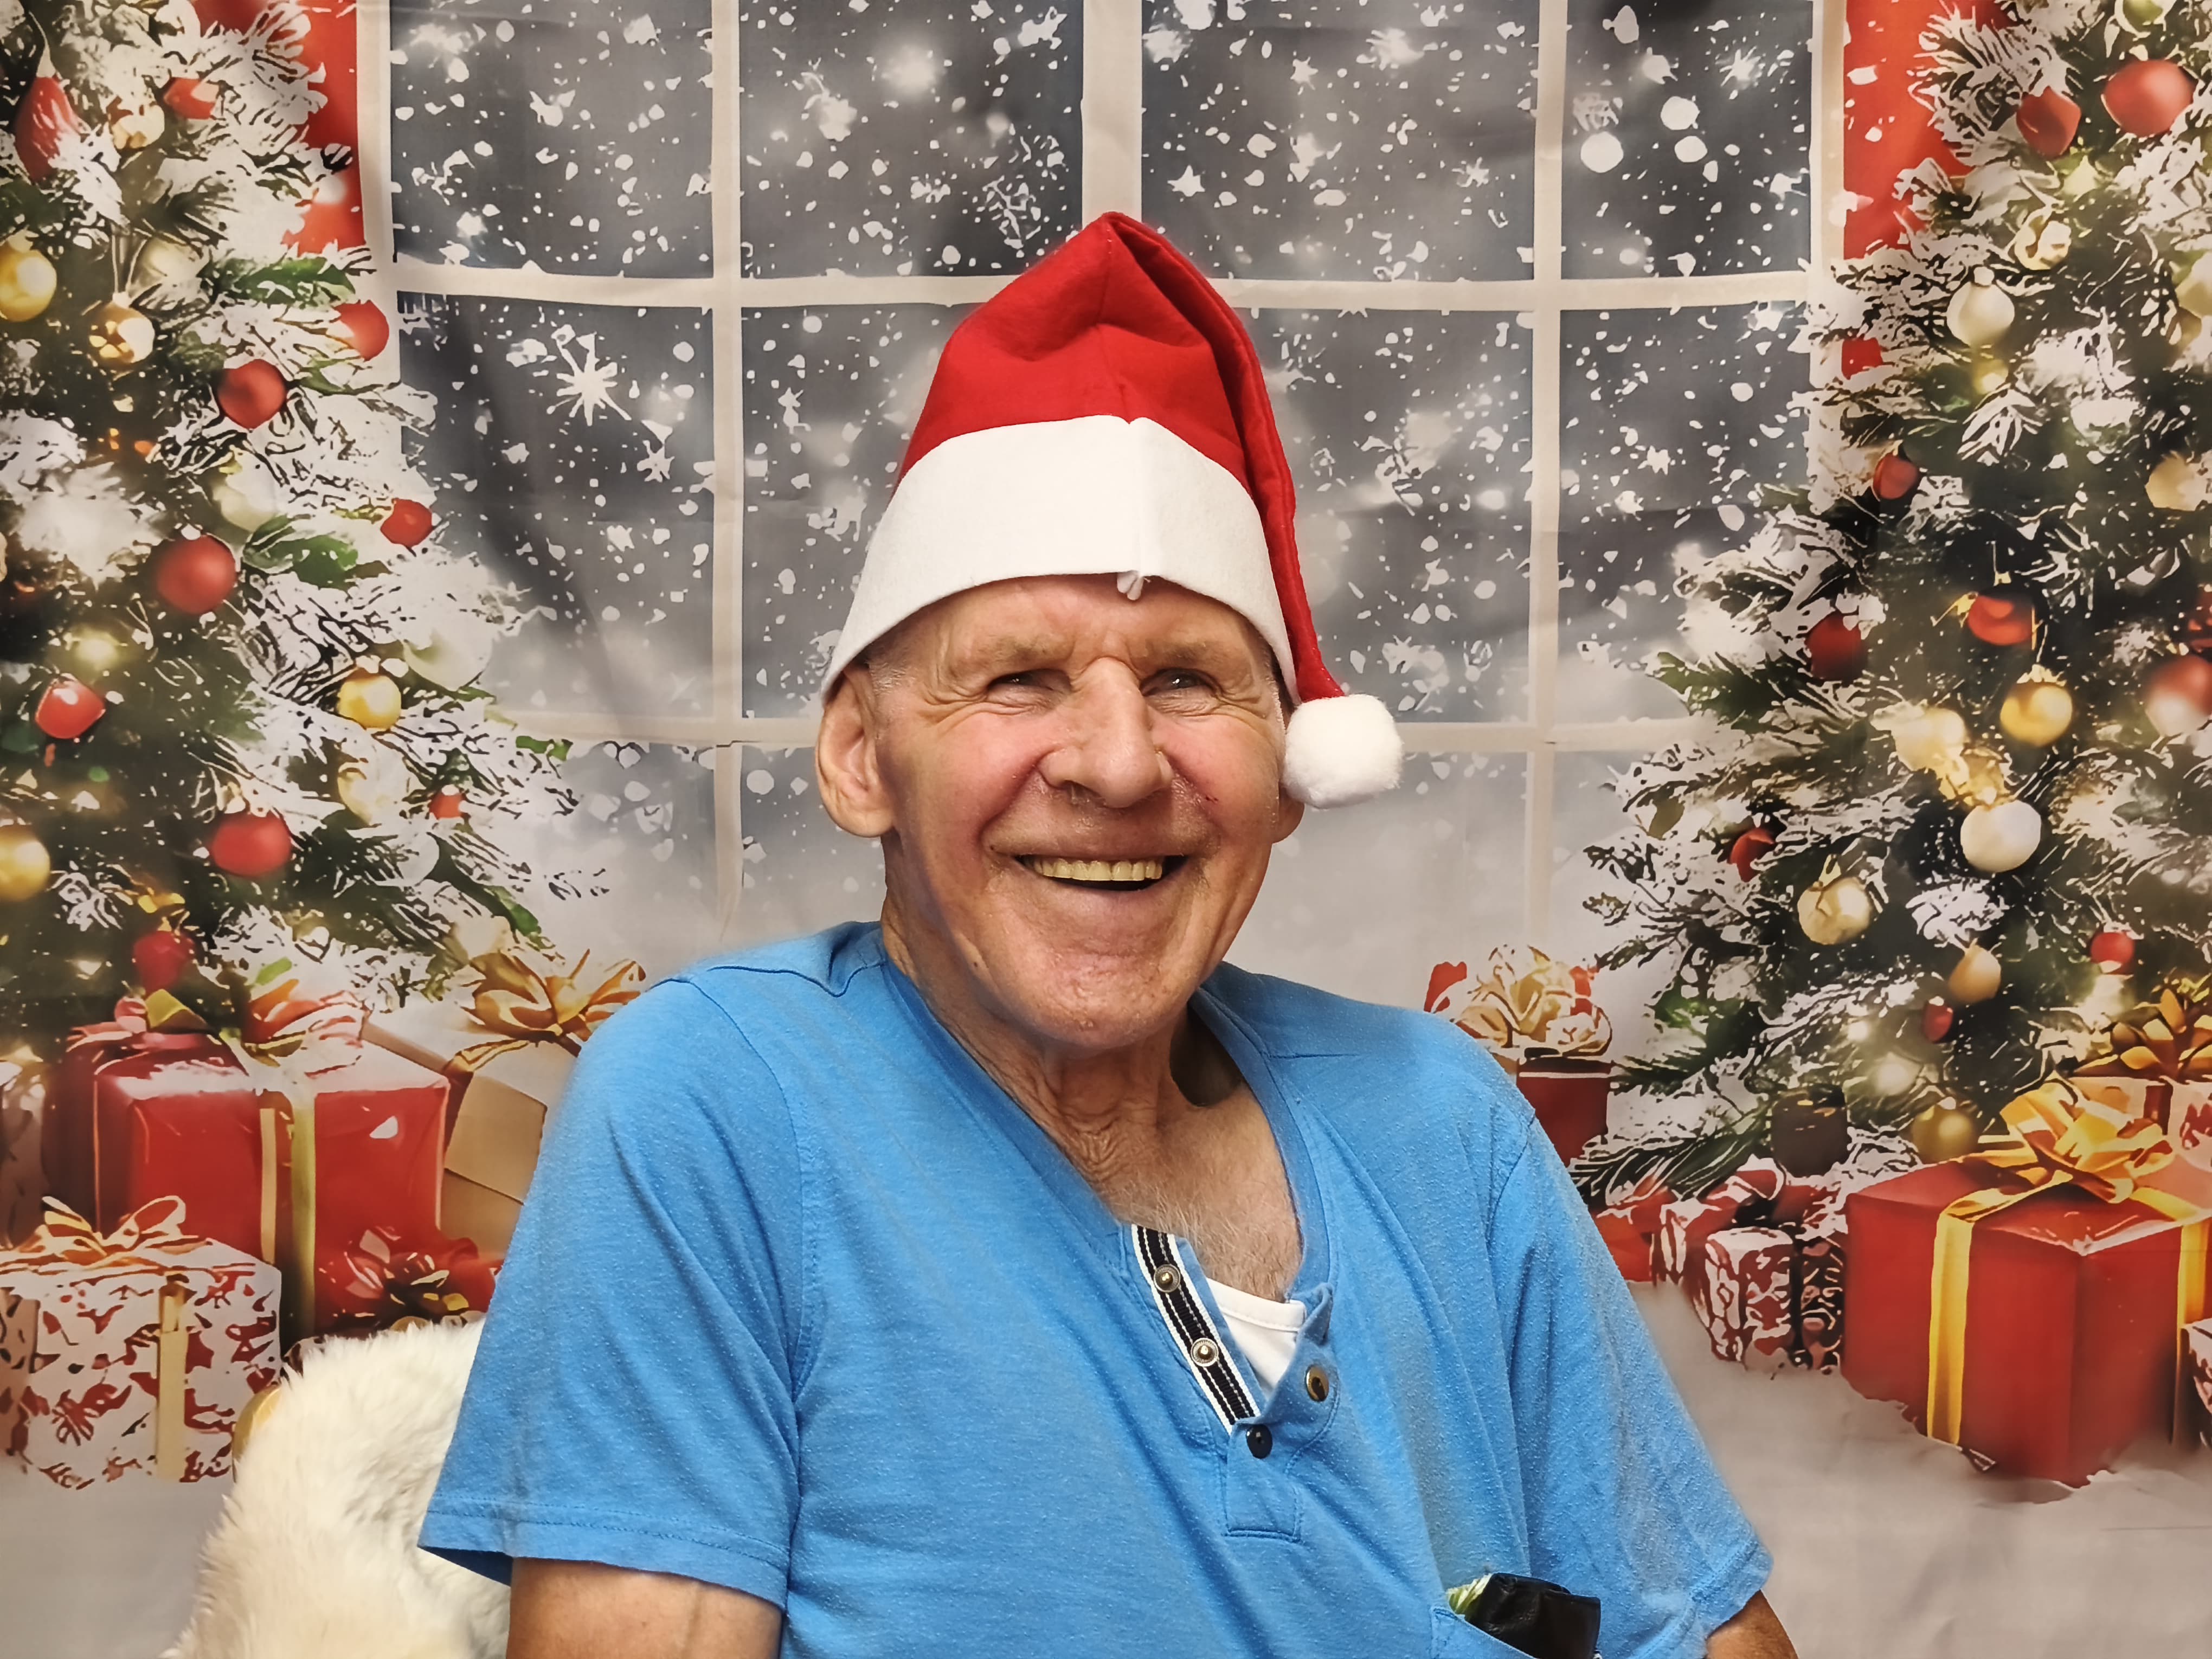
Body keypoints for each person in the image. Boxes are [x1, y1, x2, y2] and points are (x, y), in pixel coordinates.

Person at [420, 213, 1797, 1659]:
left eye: (1189, 680)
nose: (1121, 764)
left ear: (1286, 771)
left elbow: (1697, 1634)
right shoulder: (716, 1105)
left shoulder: (1441, 1118)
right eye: (1018, 678)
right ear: (862, 757)